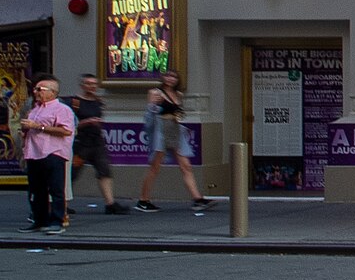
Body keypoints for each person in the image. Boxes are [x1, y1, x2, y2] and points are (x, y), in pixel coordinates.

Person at [134, 69, 212, 212]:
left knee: (186, 166)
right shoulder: (155, 93)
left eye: (174, 77)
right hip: (161, 130)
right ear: (163, 78)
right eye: (168, 76)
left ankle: (197, 199)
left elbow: (178, 113)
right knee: (155, 167)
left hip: (175, 129)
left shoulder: (178, 94)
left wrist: (181, 122)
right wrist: (153, 106)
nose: (170, 79)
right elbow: (148, 116)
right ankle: (143, 200)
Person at [64, 73, 128, 214]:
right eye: (88, 83)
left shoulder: (98, 101)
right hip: (80, 144)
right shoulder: (74, 102)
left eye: (94, 84)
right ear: (82, 85)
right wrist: (86, 122)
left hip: (96, 142)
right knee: (72, 173)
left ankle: (110, 203)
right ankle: (63, 203)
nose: (91, 87)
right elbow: (68, 125)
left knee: (104, 170)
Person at [20, 78, 76, 234]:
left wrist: (39, 126)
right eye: (35, 89)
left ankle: (56, 220)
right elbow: (30, 128)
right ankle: (40, 220)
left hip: (53, 152)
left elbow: (66, 131)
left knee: (56, 188)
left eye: (40, 89)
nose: (35, 92)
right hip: (33, 153)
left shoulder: (62, 109)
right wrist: (25, 130)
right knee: (36, 189)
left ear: (52, 92)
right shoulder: (35, 109)